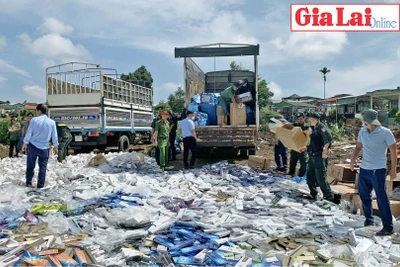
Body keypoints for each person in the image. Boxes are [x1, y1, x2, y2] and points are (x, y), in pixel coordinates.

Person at [350, 109, 397, 236]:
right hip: (364, 169)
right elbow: (358, 147)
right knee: (365, 196)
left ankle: (388, 227)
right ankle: (369, 220)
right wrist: (353, 159)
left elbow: (393, 150)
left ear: (368, 120)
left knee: (382, 198)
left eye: (363, 119)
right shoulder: (362, 131)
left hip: (378, 171)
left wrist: (393, 169)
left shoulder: (385, 133)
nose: (361, 121)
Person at [21, 104, 58, 189]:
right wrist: (56, 146)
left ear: (39, 111)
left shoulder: (34, 120)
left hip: (33, 146)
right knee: (43, 168)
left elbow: (29, 132)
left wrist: (25, 143)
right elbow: (54, 135)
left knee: (30, 165)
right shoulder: (51, 122)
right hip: (45, 148)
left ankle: (29, 183)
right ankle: (40, 186)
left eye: (36, 111)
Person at [305, 112, 333, 201]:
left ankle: (328, 197)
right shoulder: (313, 128)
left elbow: (328, 138)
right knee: (309, 176)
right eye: (310, 119)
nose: (311, 121)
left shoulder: (322, 127)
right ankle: (313, 194)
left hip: (319, 156)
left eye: (312, 119)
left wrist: (325, 151)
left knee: (321, 177)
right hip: (312, 156)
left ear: (316, 119)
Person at [288, 113, 310, 177]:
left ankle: (301, 176)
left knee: (303, 164)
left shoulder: (306, 127)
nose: (299, 120)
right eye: (298, 119)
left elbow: (309, 138)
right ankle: (291, 174)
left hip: (302, 148)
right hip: (295, 147)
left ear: (304, 119)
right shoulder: (295, 125)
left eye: (301, 119)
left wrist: (306, 147)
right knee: (292, 162)